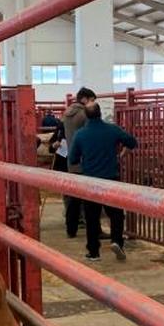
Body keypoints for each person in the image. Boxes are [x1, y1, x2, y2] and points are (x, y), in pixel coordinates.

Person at [68, 102, 138, 261]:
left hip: (90, 181)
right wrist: (121, 153)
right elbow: (133, 142)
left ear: (86, 115)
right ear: (100, 113)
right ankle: (117, 242)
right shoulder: (112, 129)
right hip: (111, 179)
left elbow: (72, 159)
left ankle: (93, 252)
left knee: (92, 218)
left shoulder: (80, 134)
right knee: (116, 215)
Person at [60, 87, 96, 237]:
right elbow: (91, 134)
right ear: (85, 99)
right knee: (90, 197)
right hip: (85, 160)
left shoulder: (67, 114)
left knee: (73, 196)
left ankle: (71, 229)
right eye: (92, 101)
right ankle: (93, 228)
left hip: (72, 158)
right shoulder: (83, 115)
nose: (92, 104)